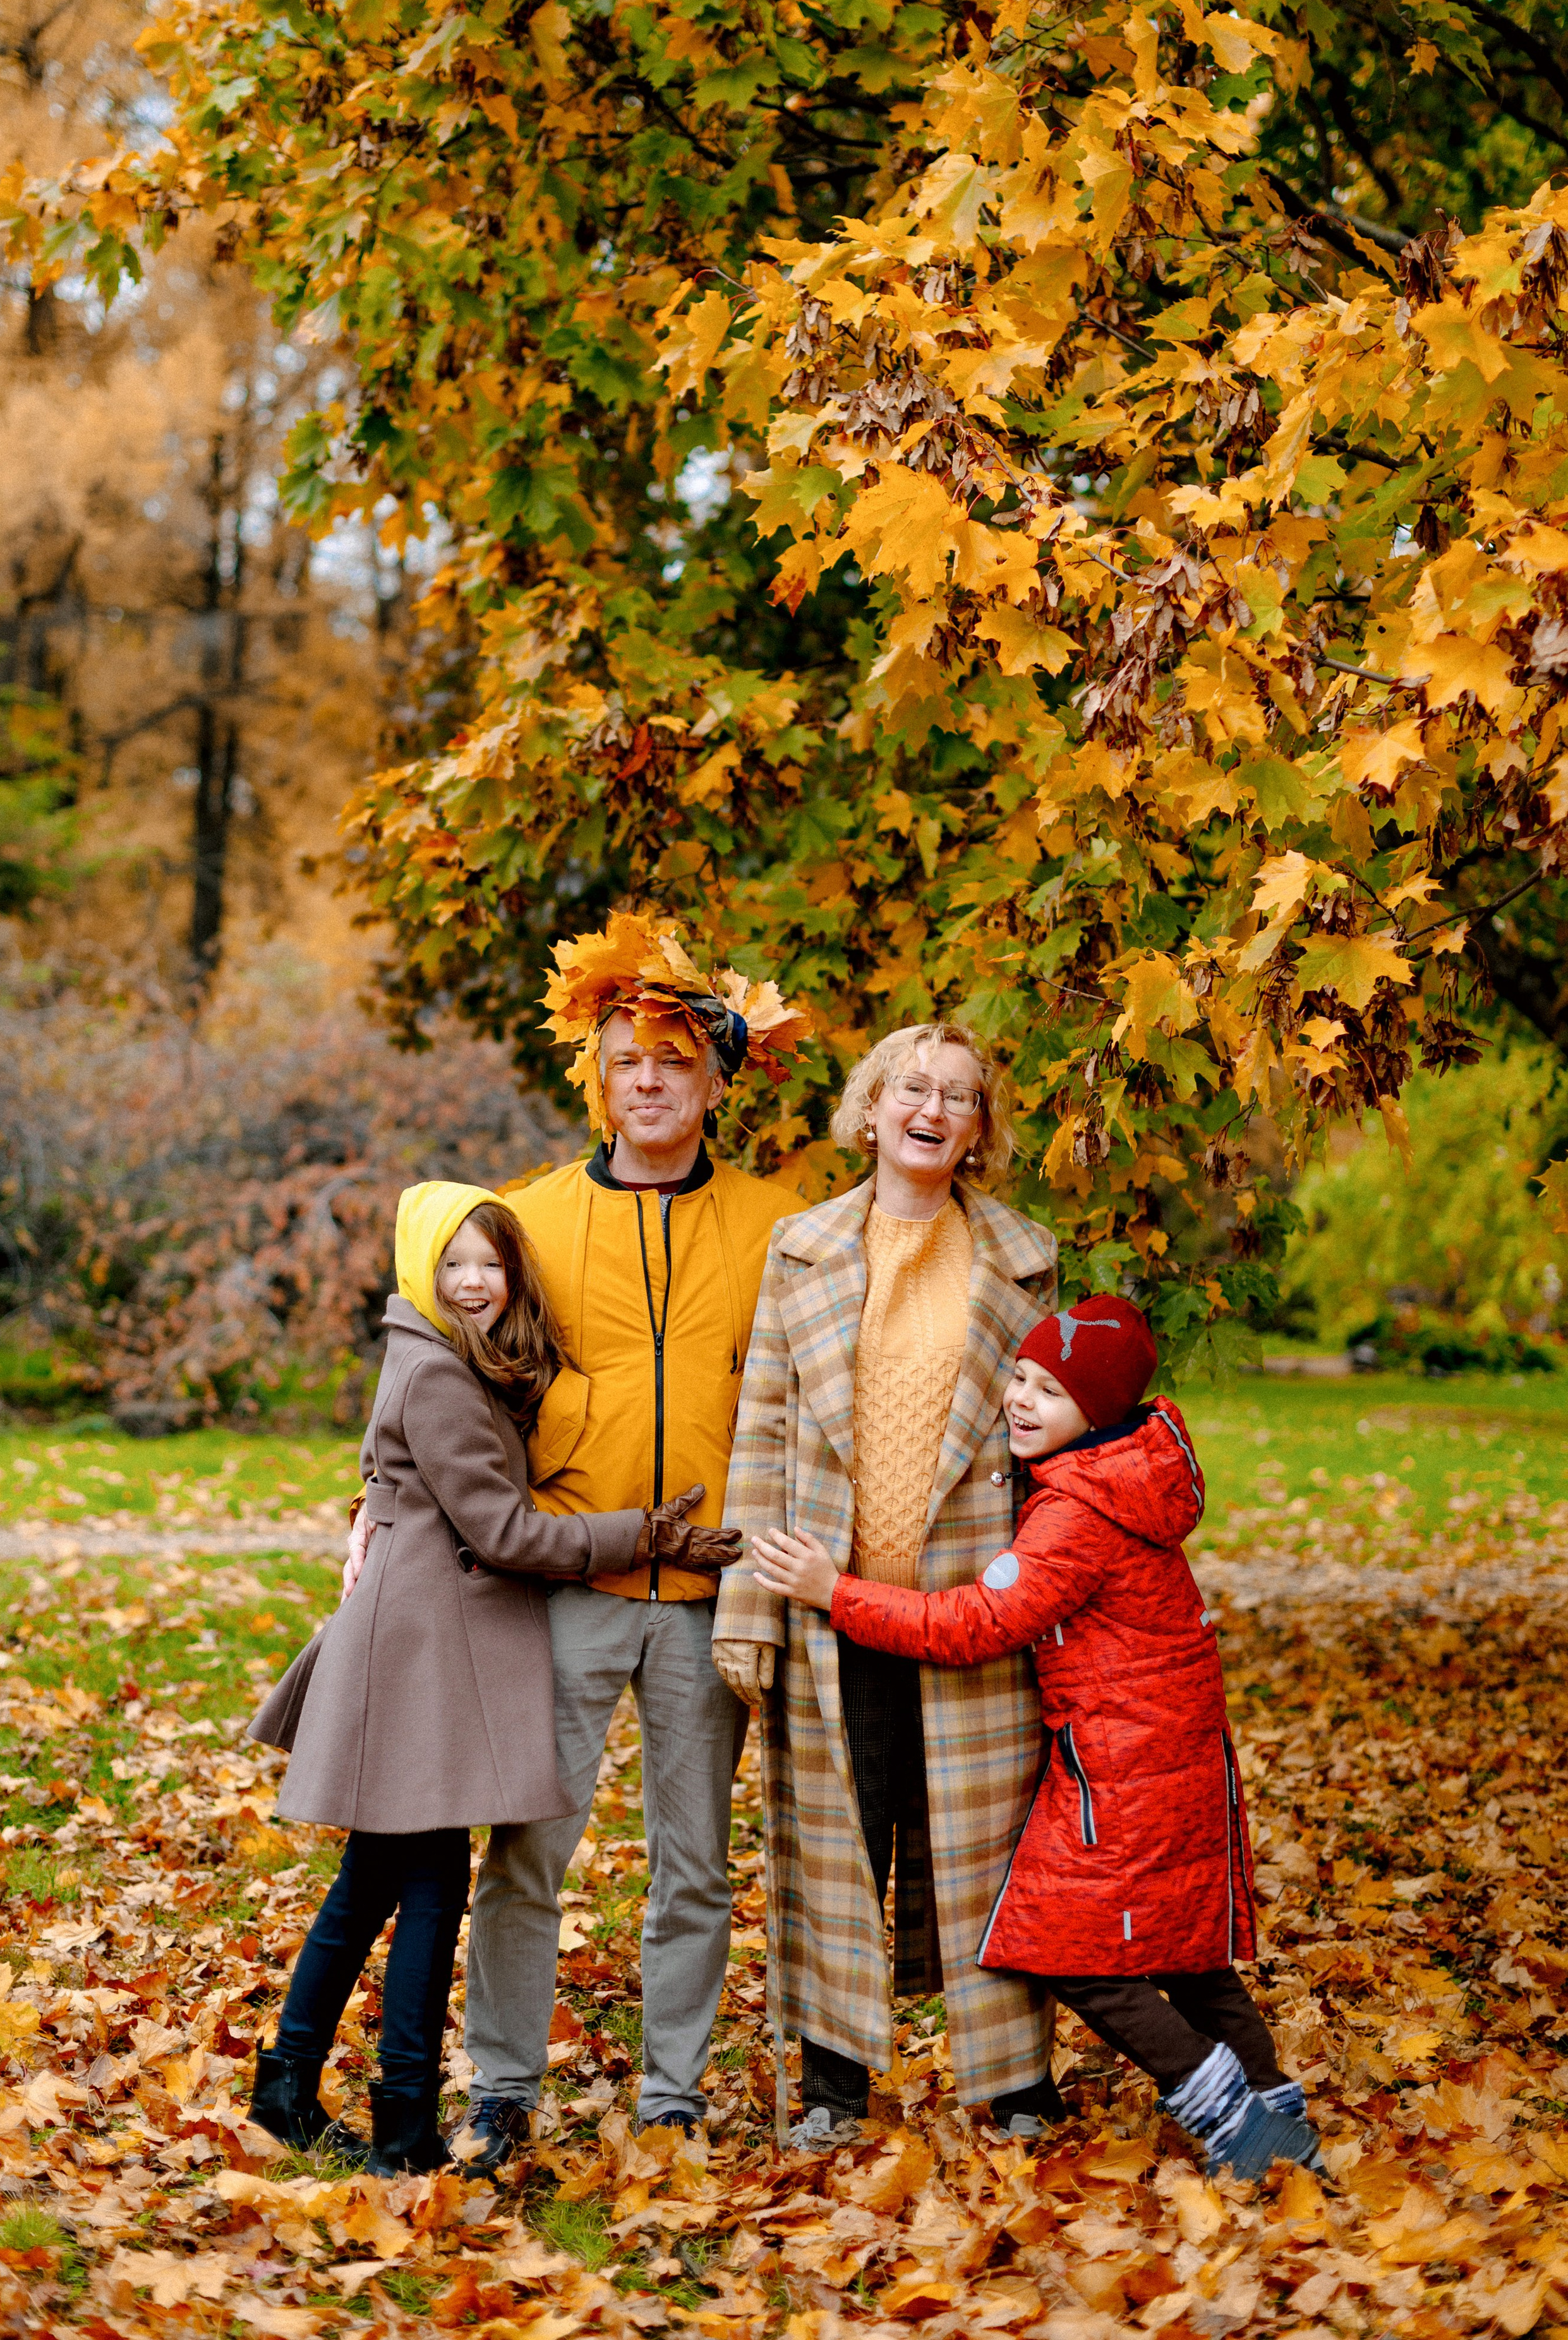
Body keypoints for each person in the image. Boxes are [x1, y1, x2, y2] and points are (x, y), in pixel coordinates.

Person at [346, 917, 809, 2165]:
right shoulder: (531, 1219)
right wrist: (370, 1509)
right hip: (556, 1579)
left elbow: (820, 1390)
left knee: (694, 1862)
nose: (648, 1078)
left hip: (712, 1591)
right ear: (595, 1078)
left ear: (715, 1079)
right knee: (525, 1850)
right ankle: (500, 2088)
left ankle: (672, 2091)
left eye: (672, 1057)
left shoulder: (780, 1221)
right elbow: (436, 1371)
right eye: (626, 1059)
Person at [752, 1293, 1320, 2181]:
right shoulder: (1126, 1470)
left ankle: (1229, 2111)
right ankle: (1279, 2112)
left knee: (1066, 1947)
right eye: (1018, 1377)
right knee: (1182, 1949)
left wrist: (836, 1592)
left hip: (1121, 1763)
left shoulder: (1077, 1515)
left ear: (1094, 1414)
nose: (1020, 1400)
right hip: (1171, 1747)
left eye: (1049, 1392)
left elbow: (976, 1622)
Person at [246, 1181, 716, 2174]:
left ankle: (288, 2083)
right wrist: (642, 1533)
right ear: (420, 1265)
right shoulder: (439, 1379)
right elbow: (502, 1531)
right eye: (453, 1262)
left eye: (490, 1262)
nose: (473, 1281)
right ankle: (404, 2124)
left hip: (422, 1643)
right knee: (427, 1884)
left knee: (379, 1878)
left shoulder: (439, 1357)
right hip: (425, 1654)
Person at [712, 1020, 1061, 2150]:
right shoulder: (801, 1248)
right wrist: (749, 1611)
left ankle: (1015, 2086)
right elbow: (762, 1429)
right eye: (911, 1086)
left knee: (986, 1850)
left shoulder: (1024, 1255)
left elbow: (1054, 1445)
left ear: (977, 1131)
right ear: (871, 1111)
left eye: (958, 1095)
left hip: (977, 1609)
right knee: (838, 1841)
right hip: (830, 1602)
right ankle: (833, 2088)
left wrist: (1053, 1596)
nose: (932, 1106)